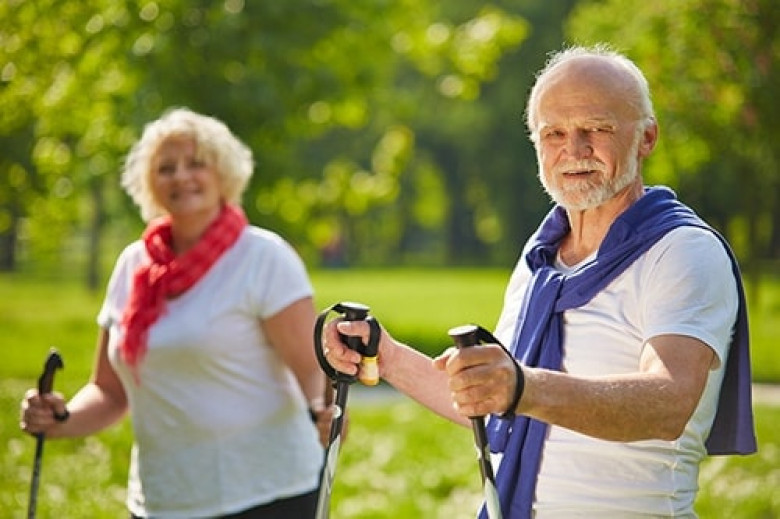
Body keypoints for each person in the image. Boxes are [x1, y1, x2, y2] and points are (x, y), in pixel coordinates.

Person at [320, 44, 756, 518]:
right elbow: (495, 404)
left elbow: (669, 401)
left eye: (598, 129)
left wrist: (523, 388)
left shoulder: (682, 250)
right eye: (554, 133)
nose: (575, 150)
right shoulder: (541, 261)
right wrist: (383, 354)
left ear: (646, 138)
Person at [20, 108, 333, 518]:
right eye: (166, 168)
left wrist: (322, 410)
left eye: (196, 163)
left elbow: (311, 369)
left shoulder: (263, 257)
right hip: (163, 498)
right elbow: (111, 392)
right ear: (150, 184)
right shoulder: (133, 265)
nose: (181, 176)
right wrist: (61, 418)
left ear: (224, 174)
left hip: (267, 491)